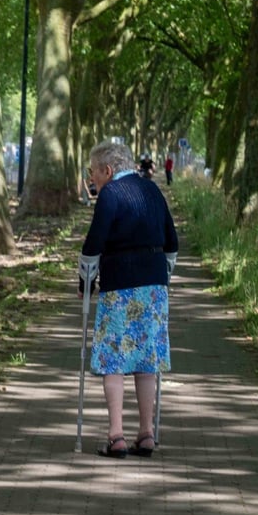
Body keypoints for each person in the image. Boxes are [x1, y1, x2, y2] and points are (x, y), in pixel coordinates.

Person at [80, 142, 178, 458]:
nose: (91, 179)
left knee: (114, 359)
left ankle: (116, 436)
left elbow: (93, 245)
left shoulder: (110, 195)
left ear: (107, 170)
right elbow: (172, 242)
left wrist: (85, 282)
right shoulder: (151, 190)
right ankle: (147, 434)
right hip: (153, 286)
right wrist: (164, 276)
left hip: (120, 284)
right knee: (146, 360)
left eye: (92, 172)